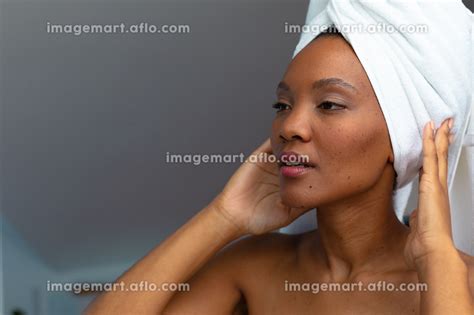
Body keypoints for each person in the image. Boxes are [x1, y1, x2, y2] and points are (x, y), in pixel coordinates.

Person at [86, 30, 474, 314]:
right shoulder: (255, 268)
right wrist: (222, 217)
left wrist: (438, 259)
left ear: (400, 138)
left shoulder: (462, 283)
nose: (289, 127)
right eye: (282, 105)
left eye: (330, 104)